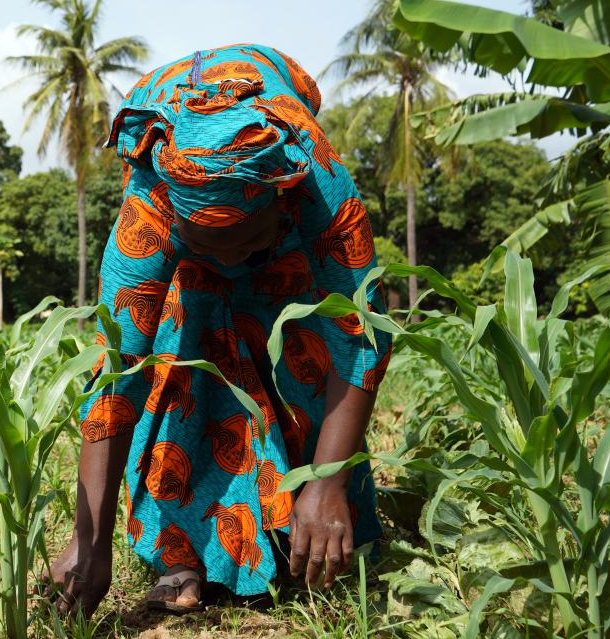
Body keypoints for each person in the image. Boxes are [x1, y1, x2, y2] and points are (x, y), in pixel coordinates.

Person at [51, 44, 392, 615]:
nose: (232, 260)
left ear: (279, 201)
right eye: (211, 245)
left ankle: (308, 516)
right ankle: (181, 551)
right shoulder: (150, 210)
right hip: (195, 253)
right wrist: (89, 542)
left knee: (305, 347)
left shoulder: (317, 186)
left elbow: (362, 337)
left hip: (288, 250)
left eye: (247, 241)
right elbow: (116, 380)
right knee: (181, 353)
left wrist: (328, 481)